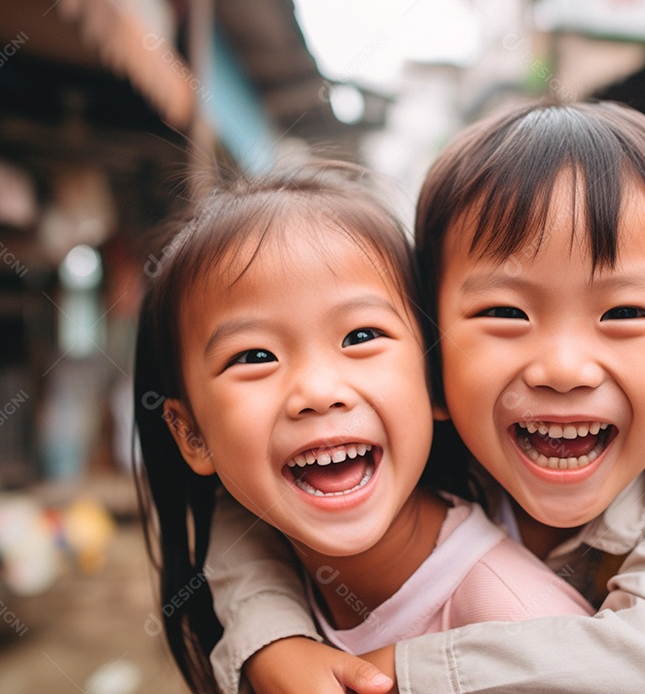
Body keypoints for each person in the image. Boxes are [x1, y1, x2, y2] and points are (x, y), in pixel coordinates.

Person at [206, 103, 645, 694]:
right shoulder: (433, 416)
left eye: (623, 314)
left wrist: (407, 672)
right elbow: (254, 499)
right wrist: (272, 639)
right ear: (432, 347)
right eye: (504, 312)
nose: (563, 369)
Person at [133, 162, 593, 694]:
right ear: (191, 434)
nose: (318, 391)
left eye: (360, 336)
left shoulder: (517, 625)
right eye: (255, 355)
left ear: (437, 379)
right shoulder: (262, 554)